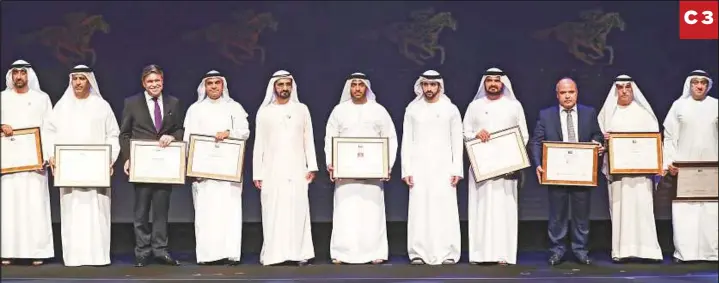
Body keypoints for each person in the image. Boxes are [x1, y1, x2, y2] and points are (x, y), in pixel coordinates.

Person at [44, 65, 120, 266]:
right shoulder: (61, 107)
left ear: (89, 81)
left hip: (96, 171)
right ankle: (74, 257)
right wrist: (52, 156)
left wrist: (109, 159)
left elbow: (112, 134)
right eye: (75, 78)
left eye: (82, 78)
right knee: (72, 211)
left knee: (98, 213)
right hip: (70, 172)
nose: (78, 82)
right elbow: (49, 133)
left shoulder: (101, 106)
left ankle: (98, 256)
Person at [324, 72, 397, 265]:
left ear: (367, 87)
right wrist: (331, 163)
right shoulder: (339, 111)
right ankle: (342, 252)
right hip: (345, 172)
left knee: (372, 212)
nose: (357, 88)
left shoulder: (378, 110)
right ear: (349, 87)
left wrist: (386, 165)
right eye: (354, 84)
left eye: (361, 85)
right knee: (345, 210)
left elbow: (390, 138)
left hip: (372, 172)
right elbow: (330, 138)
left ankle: (375, 252)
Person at [529, 77, 603, 265]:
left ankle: (580, 250)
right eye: (563, 92)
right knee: (557, 214)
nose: (567, 96)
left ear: (577, 92)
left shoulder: (589, 113)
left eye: (571, 92)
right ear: (557, 95)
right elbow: (537, 141)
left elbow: (597, 134)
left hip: (581, 173)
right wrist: (538, 164)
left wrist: (598, 144)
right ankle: (557, 250)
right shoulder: (546, 115)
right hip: (556, 173)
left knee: (581, 214)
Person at [119, 64, 184, 267]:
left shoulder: (173, 102)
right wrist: (128, 158)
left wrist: (172, 136)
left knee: (161, 210)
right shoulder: (132, 103)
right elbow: (125, 133)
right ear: (143, 84)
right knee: (141, 211)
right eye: (150, 81)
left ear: (162, 82)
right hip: (142, 165)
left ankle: (160, 250)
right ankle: (142, 251)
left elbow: (181, 129)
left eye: (157, 81)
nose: (154, 84)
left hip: (165, 166)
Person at [462, 67, 529, 265]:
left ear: (503, 83)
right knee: (480, 209)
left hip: (506, 169)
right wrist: (476, 135)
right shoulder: (474, 106)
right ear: (484, 83)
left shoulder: (514, 105)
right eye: (489, 80)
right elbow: (465, 131)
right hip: (481, 168)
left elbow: (523, 135)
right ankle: (479, 254)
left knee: (505, 210)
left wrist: (512, 159)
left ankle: (504, 255)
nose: (493, 84)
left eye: (496, 80)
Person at [183, 70, 250, 265]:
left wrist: (229, 133)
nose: (213, 86)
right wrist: (190, 168)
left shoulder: (234, 107)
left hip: (229, 171)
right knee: (206, 212)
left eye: (217, 83)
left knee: (229, 211)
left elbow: (245, 132)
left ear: (223, 86)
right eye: (209, 83)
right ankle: (207, 255)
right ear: (204, 86)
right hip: (203, 171)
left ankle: (231, 254)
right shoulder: (195, 109)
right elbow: (188, 140)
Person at [252, 70, 318, 266]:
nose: (284, 88)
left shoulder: (302, 110)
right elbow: (259, 144)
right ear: (274, 87)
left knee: (298, 210)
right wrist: (257, 172)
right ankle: (274, 254)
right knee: (273, 211)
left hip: (298, 169)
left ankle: (300, 253)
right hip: (272, 170)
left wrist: (312, 166)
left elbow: (309, 139)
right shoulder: (264, 111)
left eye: (287, 84)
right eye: (280, 85)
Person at [597, 75, 662, 263]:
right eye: (620, 87)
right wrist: (605, 141)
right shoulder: (608, 114)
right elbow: (599, 141)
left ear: (633, 89)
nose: (624, 91)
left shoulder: (645, 114)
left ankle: (648, 250)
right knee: (619, 210)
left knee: (643, 208)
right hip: (619, 175)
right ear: (615, 90)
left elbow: (654, 143)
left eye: (627, 87)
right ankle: (621, 251)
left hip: (642, 174)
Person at [401, 70, 463, 265]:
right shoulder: (412, 109)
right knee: (420, 210)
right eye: (426, 85)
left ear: (439, 86)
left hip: (444, 168)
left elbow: (457, 141)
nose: (429, 88)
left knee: (445, 210)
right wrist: (406, 170)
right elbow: (407, 142)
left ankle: (449, 253)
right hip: (419, 168)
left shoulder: (450, 109)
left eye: (433, 85)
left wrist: (457, 170)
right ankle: (417, 252)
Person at [1, 60, 55, 266]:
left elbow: (49, 129)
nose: (19, 77)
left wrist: (47, 156)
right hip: (8, 164)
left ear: (29, 75)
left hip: (35, 163)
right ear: (11, 76)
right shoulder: (2, 98)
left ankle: (37, 251)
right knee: (8, 206)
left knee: (35, 206)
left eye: (23, 73)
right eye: (15, 73)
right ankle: (7, 251)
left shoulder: (41, 99)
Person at [662, 70, 718, 263]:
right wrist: (669, 162)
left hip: (712, 168)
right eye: (695, 82)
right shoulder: (679, 106)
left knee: (711, 211)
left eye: (703, 82)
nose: (699, 86)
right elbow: (669, 137)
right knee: (685, 210)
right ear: (690, 84)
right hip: (684, 168)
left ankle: (712, 253)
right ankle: (684, 253)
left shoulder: (716, 106)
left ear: (708, 85)